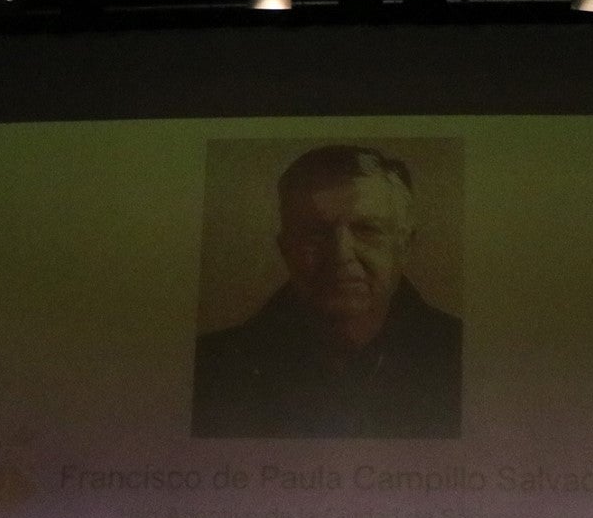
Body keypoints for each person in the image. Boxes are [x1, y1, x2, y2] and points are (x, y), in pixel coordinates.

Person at [192, 144, 463, 439]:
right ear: (286, 250)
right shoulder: (211, 369)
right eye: (315, 233)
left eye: (366, 230)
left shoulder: (464, 353)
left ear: (405, 245)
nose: (340, 254)